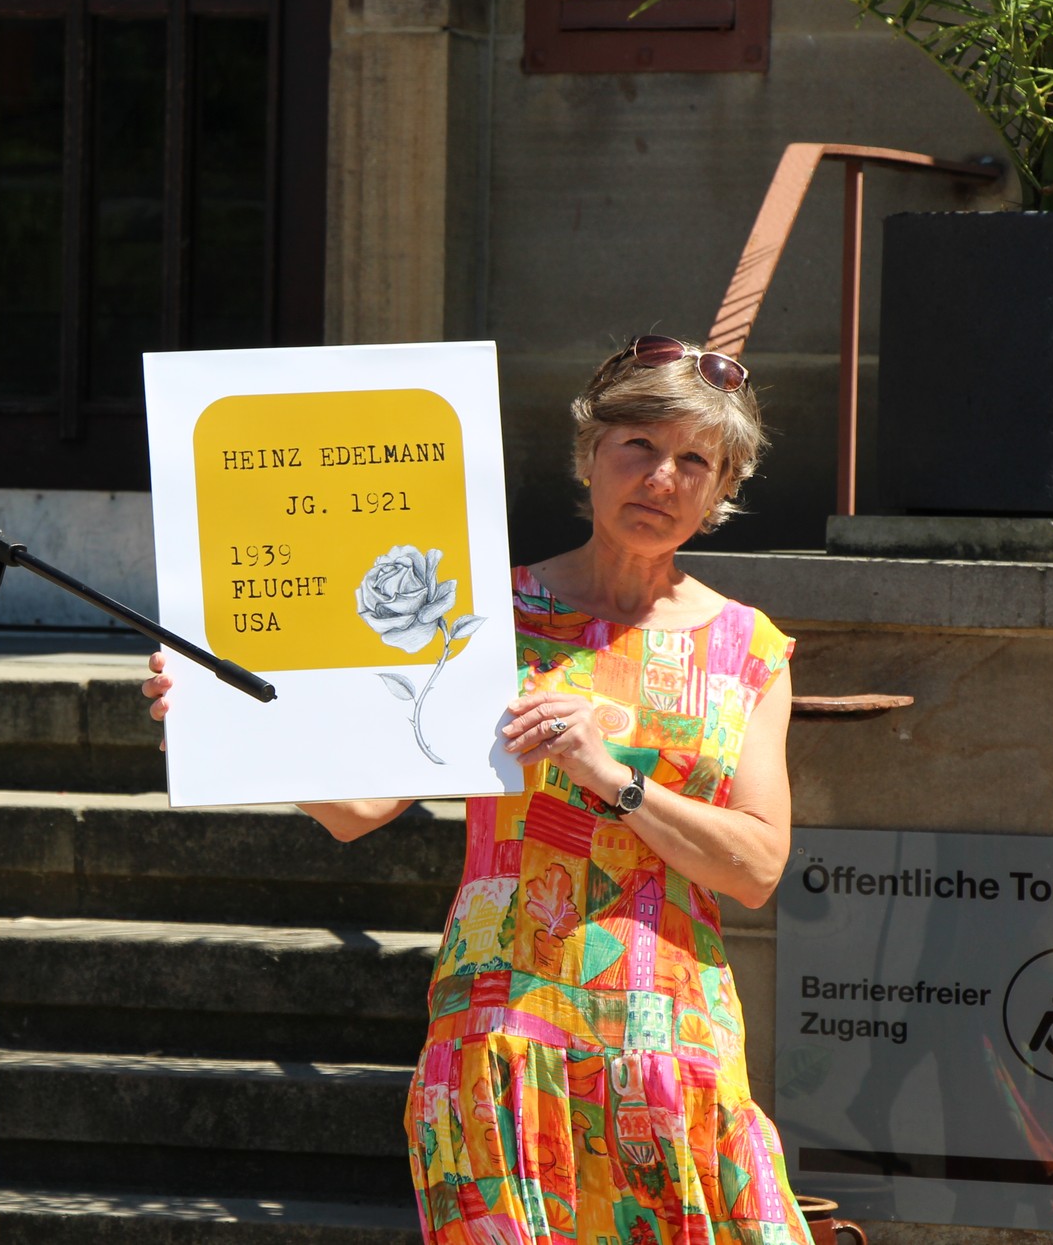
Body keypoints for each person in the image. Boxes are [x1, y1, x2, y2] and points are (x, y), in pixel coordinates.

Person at [144, 335, 809, 1245]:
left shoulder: (746, 648)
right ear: (588, 456)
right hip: (503, 1029)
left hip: (669, 1039)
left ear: (723, 485)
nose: (661, 477)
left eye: (694, 459)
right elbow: (358, 810)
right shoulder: (488, 617)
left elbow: (759, 864)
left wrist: (613, 780)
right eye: (638, 447)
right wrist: (230, 715)